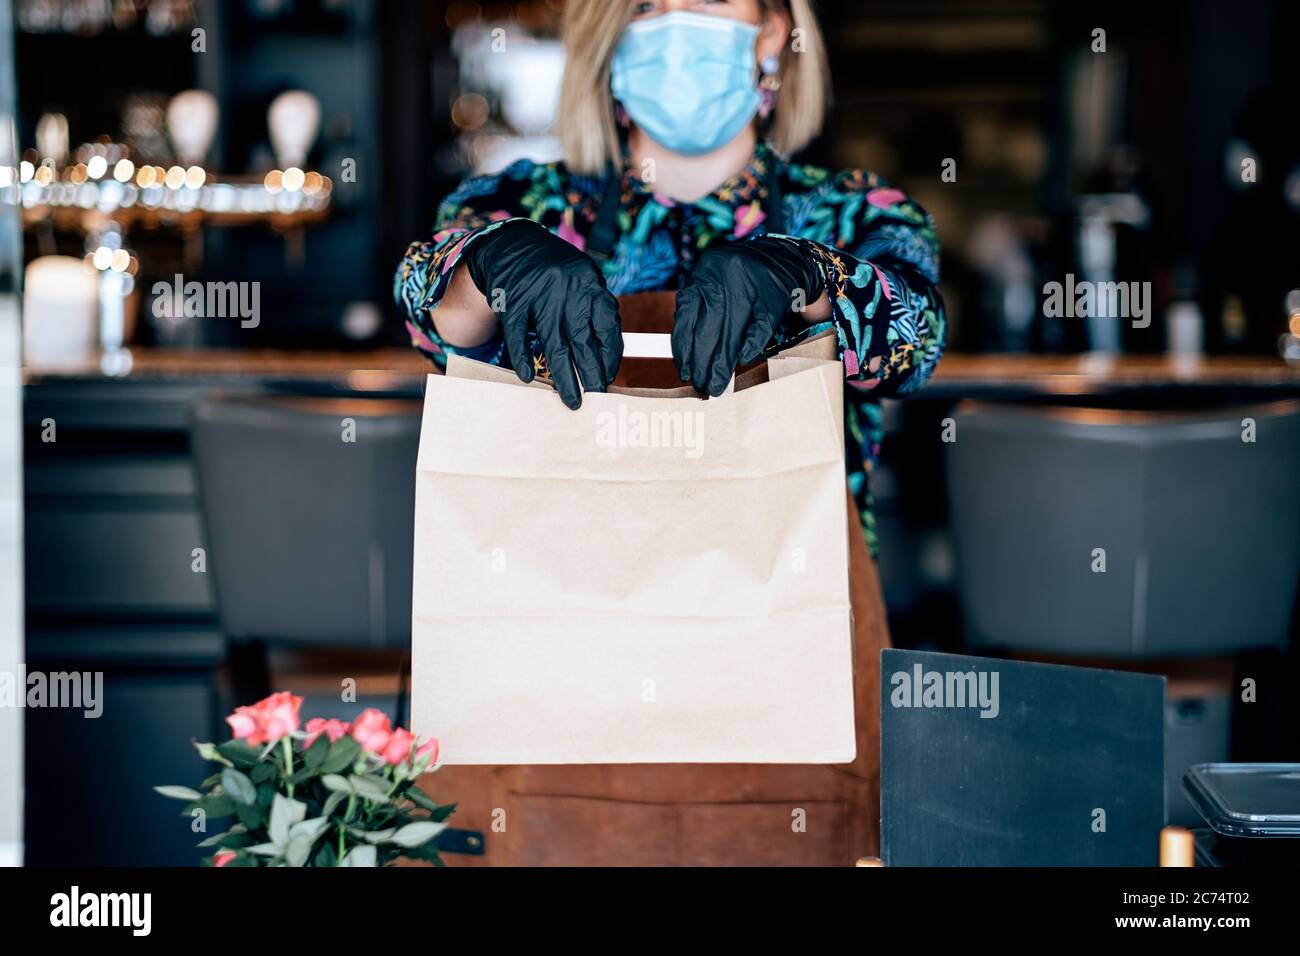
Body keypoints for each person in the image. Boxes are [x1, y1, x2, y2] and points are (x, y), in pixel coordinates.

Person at [395, 0, 946, 559]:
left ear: (772, 33)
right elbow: (434, 321)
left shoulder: (857, 214)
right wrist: (492, 263)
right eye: (645, 5)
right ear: (611, 39)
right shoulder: (516, 204)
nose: (677, 21)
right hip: (561, 599)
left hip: (792, 605)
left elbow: (918, 341)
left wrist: (813, 277)